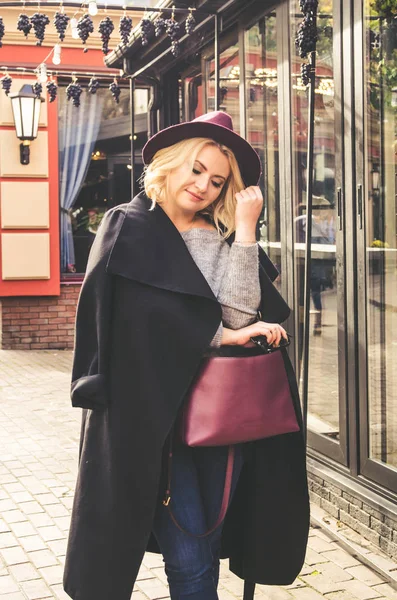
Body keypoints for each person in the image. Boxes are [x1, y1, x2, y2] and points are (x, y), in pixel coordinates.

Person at [63, 111, 310, 600]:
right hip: (155, 421)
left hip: (223, 416)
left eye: (217, 181)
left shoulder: (219, 235)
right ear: (170, 164)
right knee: (192, 560)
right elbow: (118, 330)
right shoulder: (126, 228)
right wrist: (216, 339)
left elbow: (240, 318)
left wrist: (244, 229)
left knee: (207, 545)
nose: (203, 186)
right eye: (196, 169)